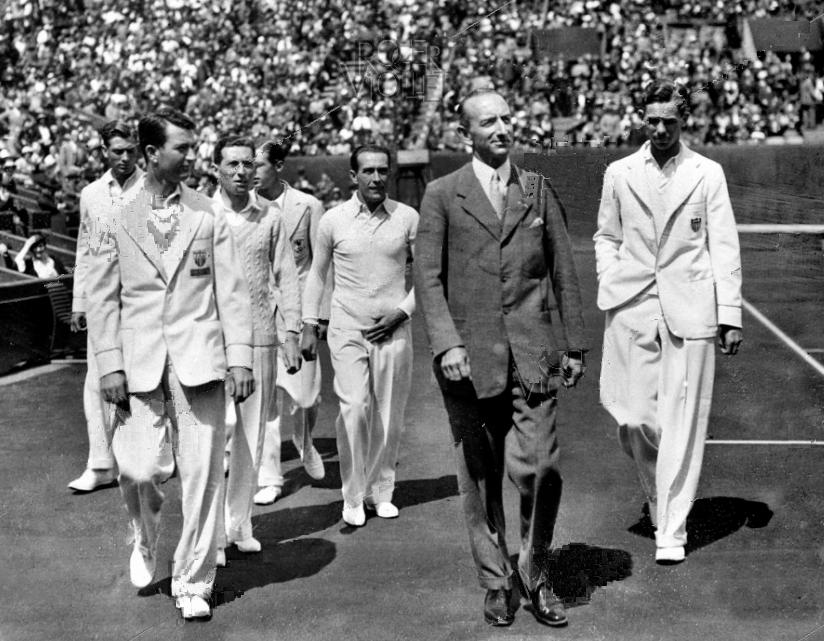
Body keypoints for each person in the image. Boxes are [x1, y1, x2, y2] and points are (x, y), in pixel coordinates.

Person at [413, 88, 586, 629]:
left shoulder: (536, 189)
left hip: (533, 356)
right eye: (488, 122)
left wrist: (574, 344)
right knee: (480, 478)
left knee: (542, 469)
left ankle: (535, 572)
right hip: (467, 361)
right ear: (464, 133)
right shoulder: (442, 194)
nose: (502, 128)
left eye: (506, 118)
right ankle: (495, 581)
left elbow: (562, 269)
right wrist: (448, 344)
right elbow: (428, 278)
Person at [84, 107, 254, 620]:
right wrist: (109, 365)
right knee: (139, 470)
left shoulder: (206, 212)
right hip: (137, 364)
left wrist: (240, 359)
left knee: (203, 475)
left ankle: (194, 581)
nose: (191, 156)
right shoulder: (116, 214)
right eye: (182, 148)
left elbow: (233, 292)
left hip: (200, 361)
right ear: (152, 152)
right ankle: (143, 534)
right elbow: (101, 297)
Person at [593, 79, 743, 565]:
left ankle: (672, 529)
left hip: (691, 308)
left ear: (684, 121)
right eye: (652, 121)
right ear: (642, 119)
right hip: (631, 305)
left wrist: (729, 315)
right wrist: (610, 275)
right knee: (633, 416)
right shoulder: (618, 172)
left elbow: (723, 246)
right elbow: (606, 236)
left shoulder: (707, 173)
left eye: (669, 122)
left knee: (684, 422)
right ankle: (661, 496)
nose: (660, 130)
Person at [300, 145, 417, 527]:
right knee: (354, 409)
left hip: (394, 329)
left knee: (388, 414)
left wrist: (402, 312)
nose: (376, 177)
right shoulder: (333, 220)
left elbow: (430, 276)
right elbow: (317, 274)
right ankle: (352, 496)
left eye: (383, 170)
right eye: (368, 171)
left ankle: (380, 491)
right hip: (347, 326)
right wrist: (308, 322)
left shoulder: (407, 217)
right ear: (353, 176)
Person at [210, 135, 302, 553]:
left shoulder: (271, 216)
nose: (241, 171)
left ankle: (239, 524)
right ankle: (210, 534)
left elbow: (287, 276)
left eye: (248, 164)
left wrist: (291, 332)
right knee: (213, 440)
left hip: (261, 337)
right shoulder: (202, 214)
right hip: (212, 341)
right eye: (232, 164)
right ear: (216, 168)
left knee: (251, 437)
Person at [68, 120, 146, 493]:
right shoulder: (91, 194)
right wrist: (80, 302)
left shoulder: (153, 188)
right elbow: (85, 250)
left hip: (142, 301)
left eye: (130, 150)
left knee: (148, 380)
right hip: (102, 302)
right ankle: (100, 464)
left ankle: (154, 459)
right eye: (117, 151)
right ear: (104, 151)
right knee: (96, 381)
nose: (125, 158)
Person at [252, 139, 328, 506]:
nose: (250, 172)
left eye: (258, 165)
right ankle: (270, 476)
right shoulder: (245, 207)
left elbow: (319, 267)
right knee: (265, 400)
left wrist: (315, 320)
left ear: (278, 166)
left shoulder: (308, 206)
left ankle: (305, 440)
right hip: (261, 314)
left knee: (306, 395)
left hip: (299, 312)